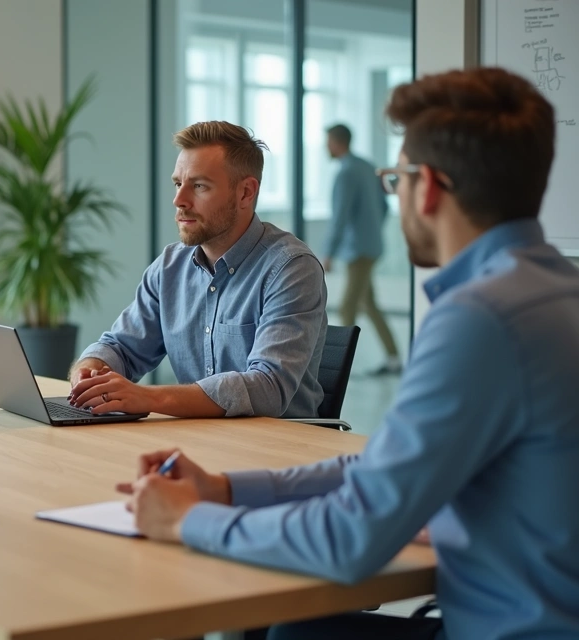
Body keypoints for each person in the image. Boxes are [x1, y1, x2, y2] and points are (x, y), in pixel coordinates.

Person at [118, 67, 579, 639]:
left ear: (427, 185)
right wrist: (228, 489)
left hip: (501, 628)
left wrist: (191, 518)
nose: (396, 194)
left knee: (297, 632)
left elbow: (350, 539)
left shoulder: (480, 319)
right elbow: (380, 467)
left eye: (396, 178)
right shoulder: (554, 290)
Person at [68, 121, 327, 419]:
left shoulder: (291, 269)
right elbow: (122, 348)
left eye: (199, 186)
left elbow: (267, 388)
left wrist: (147, 397)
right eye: (178, 184)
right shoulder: (169, 267)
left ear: (245, 193)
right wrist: (89, 371)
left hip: (275, 452)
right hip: (197, 443)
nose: (179, 201)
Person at [323, 123, 401, 375]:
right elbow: (385, 207)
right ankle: (394, 358)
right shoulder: (367, 167)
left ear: (337, 142)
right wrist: (372, 229)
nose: (326, 147)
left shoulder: (346, 173)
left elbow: (340, 217)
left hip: (357, 249)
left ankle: (339, 369)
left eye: (328, 142)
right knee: (368, 303)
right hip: (371, 244)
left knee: (347, 306)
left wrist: (329, 253)